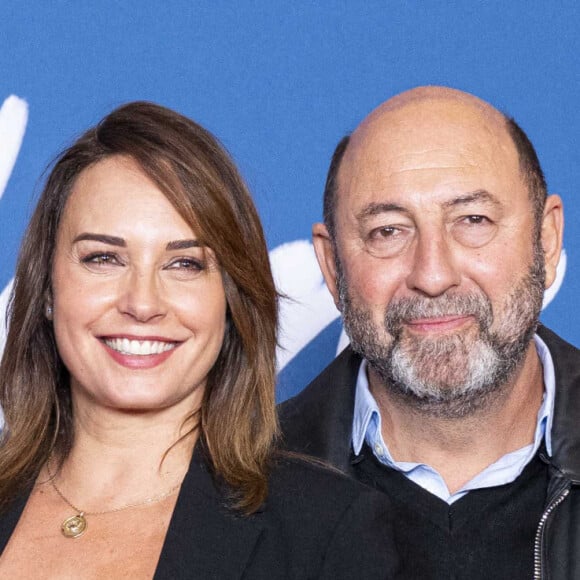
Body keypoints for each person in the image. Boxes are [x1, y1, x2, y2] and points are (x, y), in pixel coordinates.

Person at [0, 101, 398, 579]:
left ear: (231, 300)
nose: (142, 303)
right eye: (103, 258)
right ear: (46, 288)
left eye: (184, 264)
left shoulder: (326, 534)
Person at [280, 86, 580, 579]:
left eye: (472, 220)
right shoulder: (235, 492)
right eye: (388, 231)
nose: (433, 274)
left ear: (546, 240)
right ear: (332, 266)